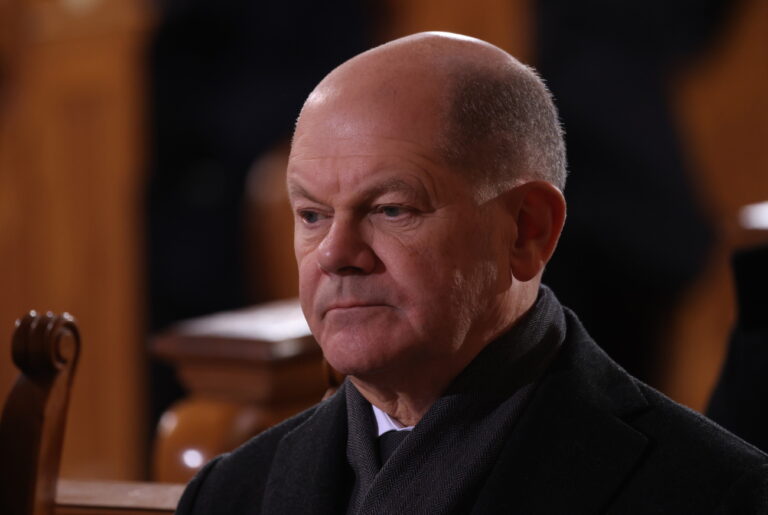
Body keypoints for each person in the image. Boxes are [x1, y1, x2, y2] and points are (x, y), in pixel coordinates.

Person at [176, 32, 768, 514]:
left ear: (526, 230)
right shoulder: (230, 494)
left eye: (391, 209)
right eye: (312, 215)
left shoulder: (713, 495)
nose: (335, 253)